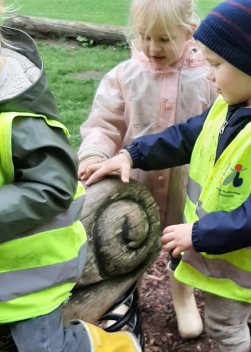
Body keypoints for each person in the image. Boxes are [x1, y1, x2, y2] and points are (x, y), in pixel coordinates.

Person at [82, 0, 251, 350]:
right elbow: (185, 136)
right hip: (228, 254)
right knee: (241, 312)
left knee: (224, 325)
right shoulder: (234, 106)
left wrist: (197, 233)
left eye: (215, 64)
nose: (207, 74)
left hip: (246, 265)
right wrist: (130, 154)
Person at [0, 6, 142, 352]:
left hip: (30, 273)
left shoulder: (18, 120)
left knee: (41, 347)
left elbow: (54, 185)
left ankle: (111, 345)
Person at [77, 0, 216, 339]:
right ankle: (125, 295)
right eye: (144, 36)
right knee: (125, 239)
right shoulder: (125, 76)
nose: (153, 47)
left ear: (189, 32)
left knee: (184, 240)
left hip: (186, 184)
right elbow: (104, 123)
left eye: (165, 39)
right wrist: (94, 154)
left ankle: (182, 295)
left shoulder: (207, 79)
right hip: (131, 183)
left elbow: (216, 129)